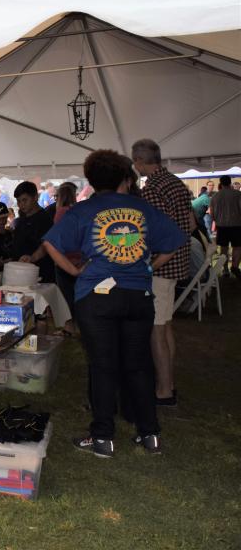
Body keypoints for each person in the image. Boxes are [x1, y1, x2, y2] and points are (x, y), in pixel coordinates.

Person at [43, 149, 185, 457]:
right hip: (138, 296)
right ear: (124, 177)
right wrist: (149, 265)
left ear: (92, 180)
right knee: (138, 365)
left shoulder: (84, 210)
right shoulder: (142, 207)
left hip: (96, 297)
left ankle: (103, 438)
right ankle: (150, 435)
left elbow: (51, 243)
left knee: (103, 366)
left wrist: (74, 270)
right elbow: (175, 240)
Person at [132, 139, 195, 407]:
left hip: (161, 265)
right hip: (177, 262)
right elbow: (191, 223)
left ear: (138, 162)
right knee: (166, 326)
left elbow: (153, 232)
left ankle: (164, 391)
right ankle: (168, 383)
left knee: (156, 330)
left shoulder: (153, 188)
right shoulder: (175, 182)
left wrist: (150, 263)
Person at [12, 181, 55, 283]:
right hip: (21, 273)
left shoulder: (45, 219)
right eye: (18, 201)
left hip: (40, 274)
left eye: (24, 200)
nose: (21, 205)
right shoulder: (21, 219)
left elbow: (47, 245)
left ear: (35, 197)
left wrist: (32, 258)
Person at [53, 182, 82, 324]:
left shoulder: (60, 212)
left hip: (64, 259)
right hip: (80, 259)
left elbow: (57, 236)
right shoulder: (78, 211)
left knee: (65, 297)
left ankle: (69, 326)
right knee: (78, 295)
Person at [210, 175, 241, 278]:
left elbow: (212, 214)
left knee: (224, 248)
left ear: (221, 183)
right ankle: (235, 267)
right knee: (237, 247)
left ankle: (225, 270)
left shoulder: (215, 196)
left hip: (222, 226)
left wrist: (217, 220)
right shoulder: (238, 194)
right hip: (236, 225)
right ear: (230, 182)